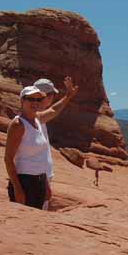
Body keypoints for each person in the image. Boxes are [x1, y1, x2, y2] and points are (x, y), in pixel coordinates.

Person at [33, 77, 79, 210]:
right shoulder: (35, 117)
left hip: (40, 177)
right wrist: (68, 97)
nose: (53, 98)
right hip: (37, 178)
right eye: (52, 95)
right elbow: (53, 110)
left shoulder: (36, 116)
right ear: (45, 96)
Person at [4, 86, 50, 208]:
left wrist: (46, 186)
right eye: (31, 99)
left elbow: (40, 157)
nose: (35, 103)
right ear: (22, 101)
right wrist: (17, 189)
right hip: (24, 182)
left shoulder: (37, 121)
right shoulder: (18, 125)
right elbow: (8, 159)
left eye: (38, 100)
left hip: (39, 181)